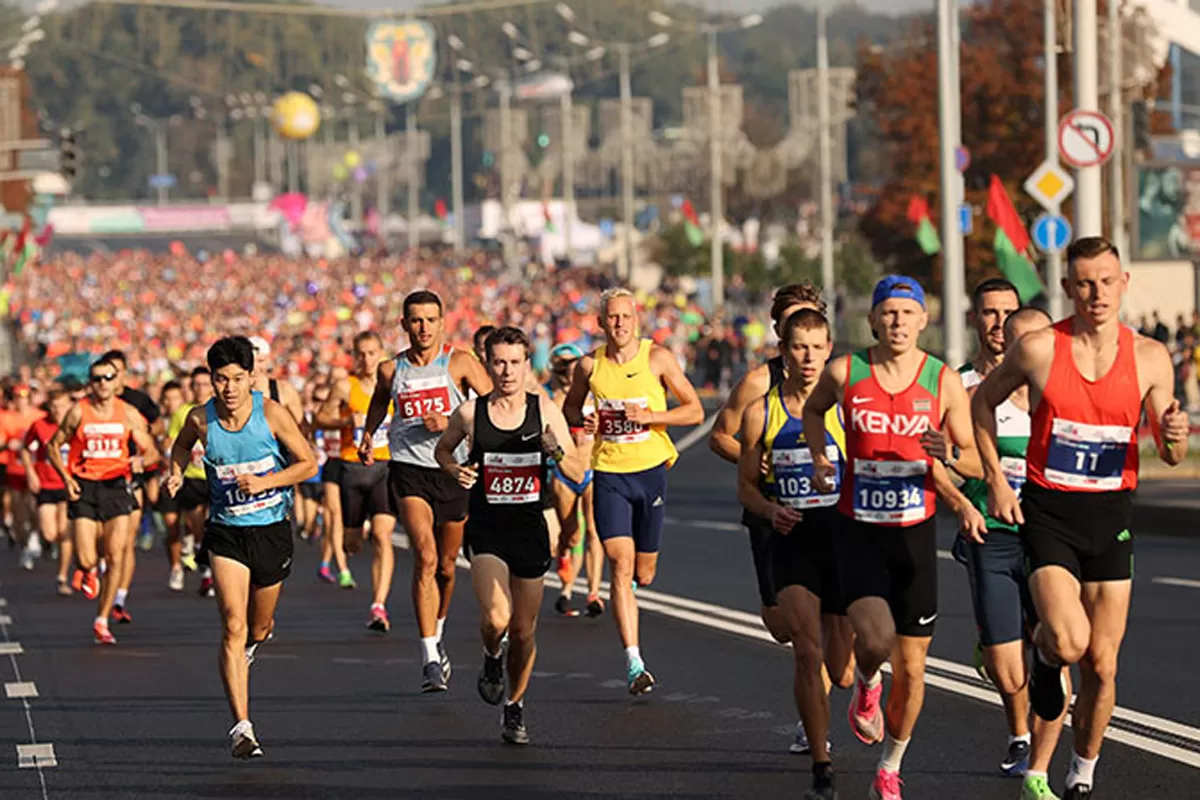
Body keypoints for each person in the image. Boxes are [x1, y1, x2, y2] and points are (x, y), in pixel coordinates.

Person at [972, 236, 1189, 800]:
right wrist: (995, 477)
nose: (1096, 293)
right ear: (1068, 288)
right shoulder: (1041, 349)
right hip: (1050, 513)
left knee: (1104, 664)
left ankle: (1081, 773)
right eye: (1084, 283)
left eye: (1106, 281)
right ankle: (1046, 657)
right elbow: (980, 403)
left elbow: (1168, 452)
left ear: (1124, 284)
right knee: (1069, 643)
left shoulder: (1149, 357)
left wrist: (1173, 436)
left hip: (1111, 515)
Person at [802, 276, 985, 800]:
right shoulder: (846, 371)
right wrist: (821, 456)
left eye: (909, 312)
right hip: (858, 528)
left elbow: (970, 456)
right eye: (890, 312)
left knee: (914, 668)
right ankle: (866, 681)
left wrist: (947, 451)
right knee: (878, 641)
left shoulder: (942, 380)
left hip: (914, 533)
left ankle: (891, 763)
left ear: (925, 320)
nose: (899, 321)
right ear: (874, 320)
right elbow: (813, 412)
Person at [710, 281, 855, 754]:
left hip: (830, 520)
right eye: (794, 331)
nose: (806, 348)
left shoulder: (841, 387)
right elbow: (720, 437)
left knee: (827, 651)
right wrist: (761, 463)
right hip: (775, 514)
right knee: (784, 627)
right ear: (780, 334)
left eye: (813, 330)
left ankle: (814, 723)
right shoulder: (758, 384)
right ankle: (814, 715)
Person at [165, 336, 318, 759]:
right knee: (232, 624)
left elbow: (308, 463)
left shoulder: (271, 413)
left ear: (251, 378)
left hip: (270, 530)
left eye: (236, 379)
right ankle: (242, 727)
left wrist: (266, 482)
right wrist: (176, 472)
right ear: (211, 381)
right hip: (226, 532)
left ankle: (252, 647)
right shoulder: (200, 418)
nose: (229, 388)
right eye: (220, 380)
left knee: (259, 627)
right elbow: (179, 447)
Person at [435, 326, 587, 745]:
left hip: (529, 528)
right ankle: (490, 655)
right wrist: (455, 470)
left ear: (526, 365)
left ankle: (514, 705)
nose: (506, 371)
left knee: (523, 631)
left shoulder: (546, 410)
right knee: (496, 620)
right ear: (488, 364)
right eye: (498, 362)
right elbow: (442, 449)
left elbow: (576, 472)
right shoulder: (471, 414)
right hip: (487, 528)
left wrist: (554, 449)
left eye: (515, 363)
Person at [563, 287, 705, 694]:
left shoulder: (657, 358)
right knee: (620, 565)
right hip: (609, 474)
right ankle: (633, 660)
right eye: (613, 317)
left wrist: (651, 416)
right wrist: (584, 422)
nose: (620, 323)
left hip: (651, 473)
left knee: (644, 570)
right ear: (602, 323)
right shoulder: (589, 366)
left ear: (635, 320)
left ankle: (632, 596)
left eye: (626, 316)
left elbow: (694, 410)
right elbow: (572, 408)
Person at [360, 290, 492, 692]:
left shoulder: (460, 362)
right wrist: (368, 436)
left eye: (430, 320)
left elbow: (493, 409)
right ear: (403, 324)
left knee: (448, 566)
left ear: (442, 322)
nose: (423, 328)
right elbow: (379, 404)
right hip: (408, 468)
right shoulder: (390, 370)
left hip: (452, 469)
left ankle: (438, 626)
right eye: (415, 320)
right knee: (425, 554)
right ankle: (429, 656)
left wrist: (453, 422)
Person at [46, 356, 160, 645]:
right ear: (90, 383)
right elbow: (53, 445)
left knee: (116, 554)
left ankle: (102, 619)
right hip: (84, 486)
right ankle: (89, 571)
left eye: (108, 378)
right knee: (85, 558)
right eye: (97, 379)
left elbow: (152, 452)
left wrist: (140, 460)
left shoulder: (129, 413)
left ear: (117, 381)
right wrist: (67, 479)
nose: (103, 384)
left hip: (117, 487)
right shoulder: (78, 412)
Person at [316, 331, 399, 628]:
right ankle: (351, 539)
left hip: (384, 466)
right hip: (352, 468)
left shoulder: (392, 382)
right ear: (354, 355)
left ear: (382, 353)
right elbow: (319, 418)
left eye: (372, 353)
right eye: (361, 353)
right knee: (352, 543)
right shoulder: (344, 386)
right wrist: (343, 421)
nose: (367, 359)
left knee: (382, 535)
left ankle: (379, 606)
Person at [101, 350, 163, 624]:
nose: (108, 379)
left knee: (125, 542)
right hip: (97, 477)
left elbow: (158, 424)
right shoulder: (92, 404)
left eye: (114, 372)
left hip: (130, 475)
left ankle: (119, 598)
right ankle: (99, 567)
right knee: (103, 541)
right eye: (104, 374)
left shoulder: (136, 402)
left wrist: (146, 441)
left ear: (123, 374)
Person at [545, 343, 605, 618]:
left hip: (592, 468)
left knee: (594, 530)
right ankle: (566, 570)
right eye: (563, 367)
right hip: (563, 472)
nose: (569, 372)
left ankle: (593, 593)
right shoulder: (553, 399)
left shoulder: (594, 394)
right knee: (572, 534)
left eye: (573, 366)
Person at [20, 386, 73, 594]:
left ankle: (62, 576)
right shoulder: (40, 425)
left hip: (69, 484)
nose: (59, 412)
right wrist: (31, 473)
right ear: (49, 408)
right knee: (50, 533)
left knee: (65, 532)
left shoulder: (75, 424)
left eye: (63, 407)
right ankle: (49, 547)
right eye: (55, 407)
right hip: (47, 484)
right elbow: (25, 449)